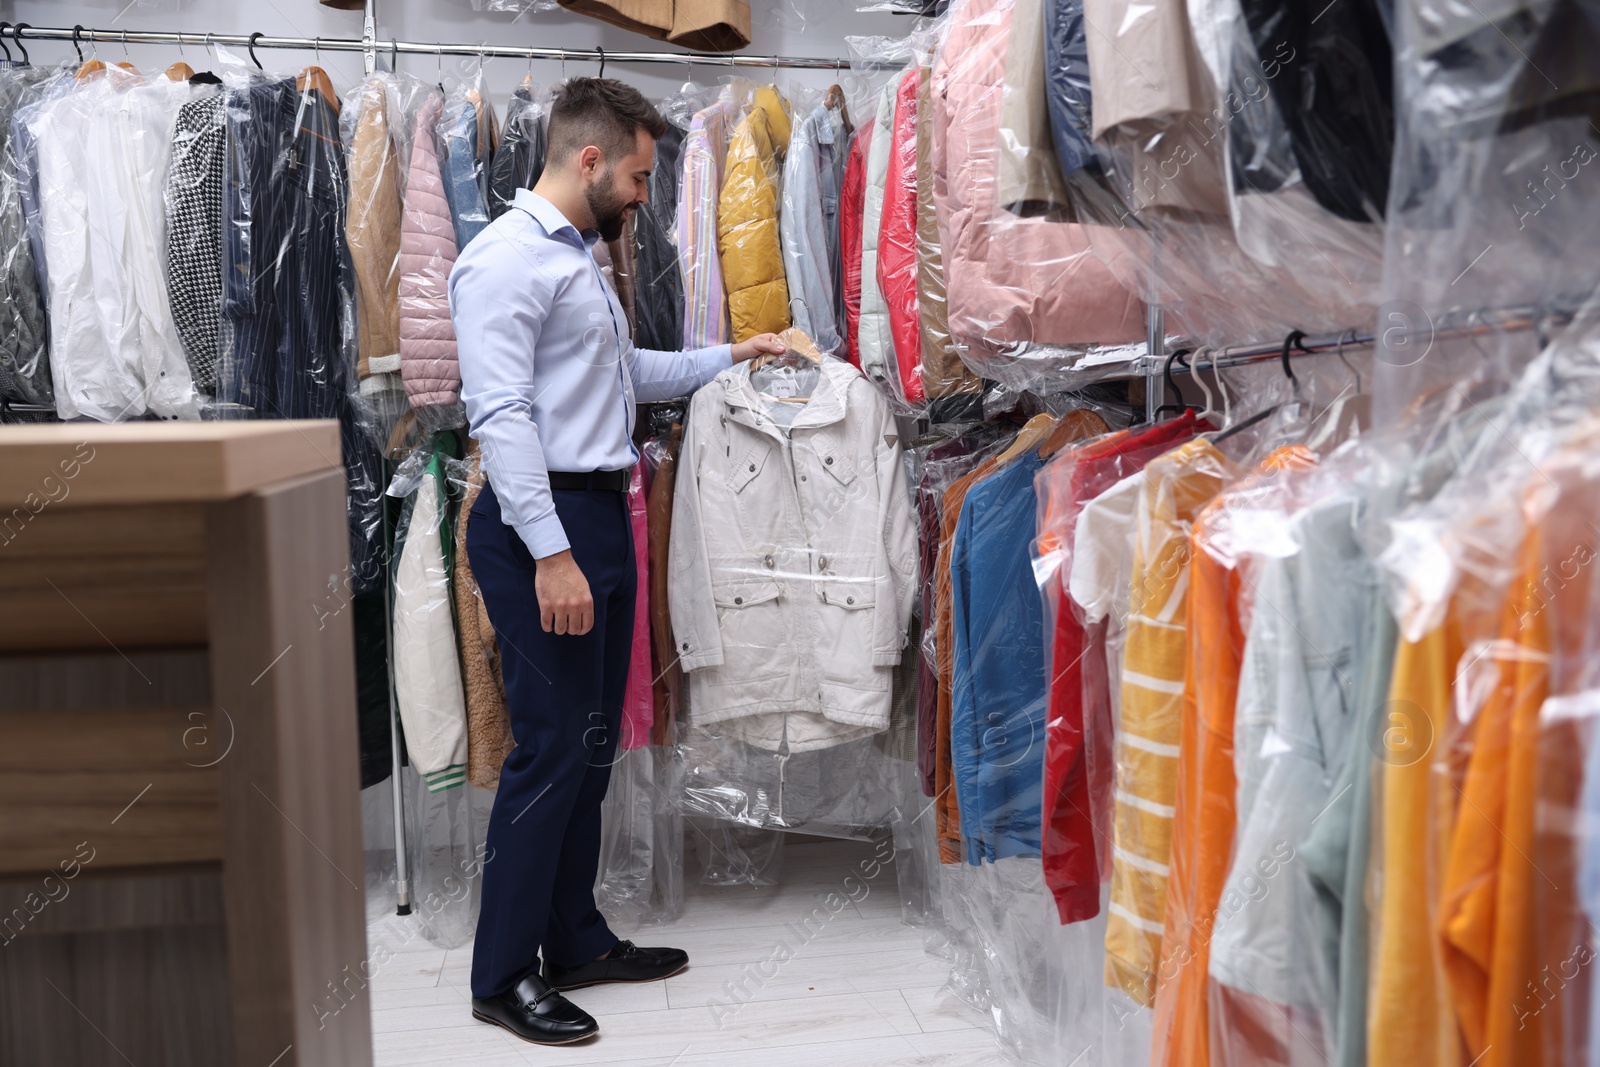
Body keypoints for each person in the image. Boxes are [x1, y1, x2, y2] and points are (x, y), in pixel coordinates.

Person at [449, 77, 784, 1046]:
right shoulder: (506, 260)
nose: (644, 194)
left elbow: (620, 373)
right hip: (542, 525)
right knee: (550, 751)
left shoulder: (573, 258)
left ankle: (577, 939)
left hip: (598, 515)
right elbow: (502, 414)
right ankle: (501, 974)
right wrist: (549, 551)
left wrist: (732, 355)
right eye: (637, 174)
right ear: (588, 158)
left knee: (589, 748)